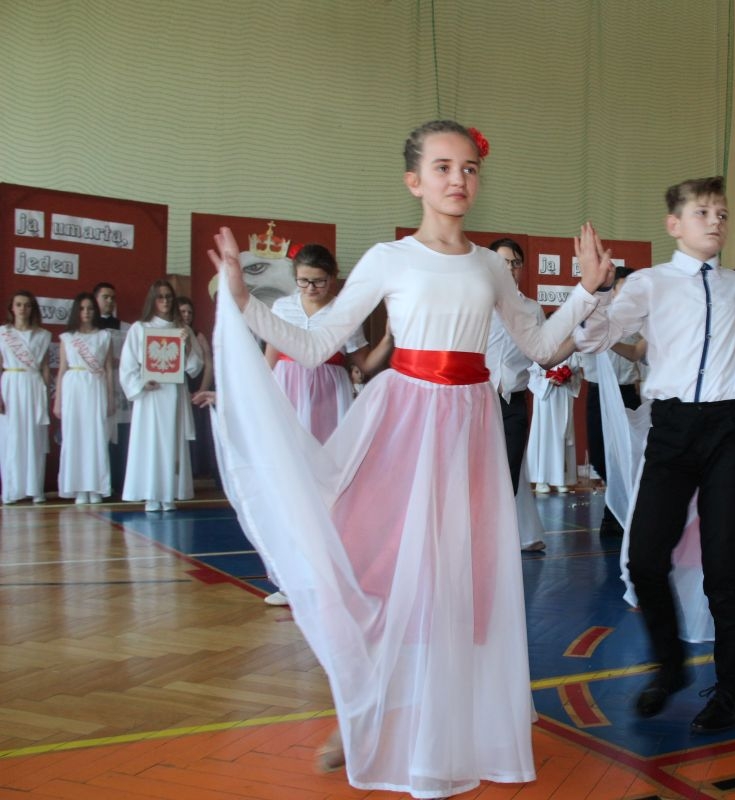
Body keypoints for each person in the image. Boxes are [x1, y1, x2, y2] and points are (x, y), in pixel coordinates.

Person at [208, 119, 611, 797]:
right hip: (403, 423)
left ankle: (441, 727)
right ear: (414, 181)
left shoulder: (489, 265)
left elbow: (541, 347)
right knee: (379, 566)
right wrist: (245, 302)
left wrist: (586, 292)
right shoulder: (388, 259)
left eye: (469, 168)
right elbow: (317, 345)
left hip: (470, 428)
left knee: (458, 582)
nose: (459, 179)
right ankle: (361, 708)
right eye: (443, 167)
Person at [573, 175, 735, 734]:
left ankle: (734, 691)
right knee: (644, 560)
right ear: (674, 224)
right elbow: (591, 339)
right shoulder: (649, 284)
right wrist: (593, 290)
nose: (715, 221)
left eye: (722, 213)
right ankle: (671, 666)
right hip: (673, 428)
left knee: (724, 566)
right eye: (702, 212)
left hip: (730, 429)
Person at [265, 244, 393, 445]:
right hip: (287, 387)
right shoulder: (282, 307)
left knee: (325, 448)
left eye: (319, 281)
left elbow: (366, 365)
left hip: (328, 391)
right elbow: (269, 361)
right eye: (303, 281)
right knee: (286, 447)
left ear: (332, 277)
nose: (311, 288)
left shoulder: (345, 312)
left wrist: (388, 339)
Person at [483, 236, 554, 552]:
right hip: (478, 400)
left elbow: (544, 355)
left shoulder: (532, 309)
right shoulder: (477, 304)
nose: (510, 269)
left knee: (509, 472)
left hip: (514, 401)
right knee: (476, 472)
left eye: (515, 263)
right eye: (503, 263)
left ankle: (499, 540)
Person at [120, 280, 203, 512]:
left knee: (171, 441)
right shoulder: (140, 328)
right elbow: (127, 366)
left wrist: (187, 345)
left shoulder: (182, 329)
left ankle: (169, 493)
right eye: (160, 297)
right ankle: (151, 494)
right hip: (150, 395)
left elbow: (194, 366)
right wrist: (141, 383)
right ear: (152, 300)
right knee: (149, 442)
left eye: (168, 296)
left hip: (174, 393)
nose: (165, 301)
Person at [579, 266, 642, 535]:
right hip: (599, 392)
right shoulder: (595, 316)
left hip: (627, 393)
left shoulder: (640, 320)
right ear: (612, 290)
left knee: (627, 456)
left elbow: (640, 355)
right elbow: (580, 344)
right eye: (624, 288)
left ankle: (615, 515)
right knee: (599, 456)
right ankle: (618, 506)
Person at [54, 293, 114, 504]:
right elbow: (62, 369)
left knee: (95, 436)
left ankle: (96, 486)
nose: (86, 312)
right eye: (82, 308)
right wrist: (58, 400)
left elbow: (108, 369)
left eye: (90, 308)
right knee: (75, 436)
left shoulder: (104, 336)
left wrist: (110, 398)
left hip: (95, 386)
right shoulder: (68, 337)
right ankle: (78, 487)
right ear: (76, 311)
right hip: (73, 387)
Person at [1, 290, 52, 504]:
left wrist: (46, 395)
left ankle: (35, 488)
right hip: (10, 385)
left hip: (33, 386)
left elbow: (45, 367)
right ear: (12, 308)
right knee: (11, 438)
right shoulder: (3, 333)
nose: (23, 309)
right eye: (19, 304)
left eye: (27, 305)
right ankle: (11, 490)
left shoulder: (43, 335)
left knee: (34, 437)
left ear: (33, 309)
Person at [94, 282, 133, 490]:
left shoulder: (126, 328)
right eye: (105, 297)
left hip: (118, 384)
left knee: (120, 432)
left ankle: (119, 480)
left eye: (112, 297)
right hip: (94, 385)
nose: (110, 301)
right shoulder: (86, 328)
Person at [176, 296, 219, 485]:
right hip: (178, 385)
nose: (186, 315)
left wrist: (202, 389)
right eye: (182, 312)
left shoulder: (198, 335)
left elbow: (209, 364)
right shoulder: (168, 334)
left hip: (197, 386)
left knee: (199, 428)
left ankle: (201, 468)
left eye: (189, 312)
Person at [526, 352, 582, 493]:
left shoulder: (570, 350)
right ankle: (542, 479)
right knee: (545, 435)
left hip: (564, 394)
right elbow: (531, 374)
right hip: (546, 396)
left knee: (562, 435)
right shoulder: (540, 348)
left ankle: (561, 478)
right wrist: (548, 381)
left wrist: (568, 377)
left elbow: (577, 372)